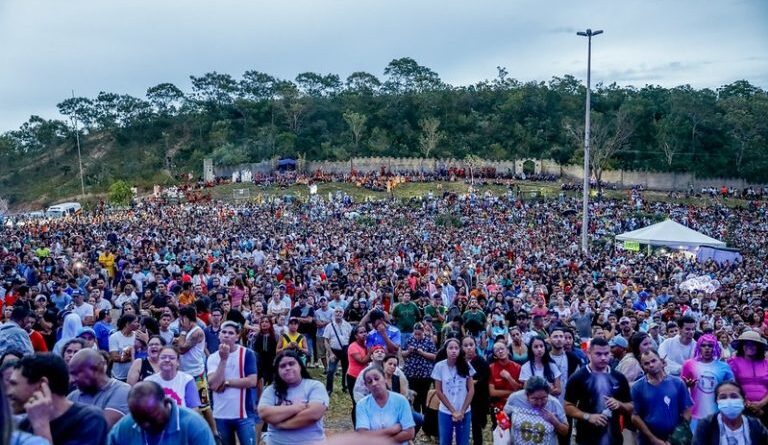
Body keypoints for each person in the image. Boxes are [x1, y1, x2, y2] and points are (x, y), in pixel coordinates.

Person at [8, 353, 108, 445]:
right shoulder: (25, 424)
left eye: (14, 384)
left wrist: (40, 426)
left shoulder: (90, 420)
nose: (8, 392)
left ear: (41, 384)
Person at [564, 337, 633, 445]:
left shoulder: (619, 377)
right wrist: (588, 416)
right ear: (589, 353)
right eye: (598, 354)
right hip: (586, 438)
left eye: (606, 354)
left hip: (614, 438)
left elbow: (630, 406)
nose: (603, 358)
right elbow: (567, 406)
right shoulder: (578, 377)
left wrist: (619, 404)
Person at [107, 381, 216, 445]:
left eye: (152, 417)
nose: (146, 424)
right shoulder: (126, 425)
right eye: (139, 419)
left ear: (166, 403)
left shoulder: (193, 425)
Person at [257, 350, 330, 445]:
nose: (287, 368)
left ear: (300, 366)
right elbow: (264, 413)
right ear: (277, 371)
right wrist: (298, 407)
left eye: (291, 364)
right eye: (282, 366)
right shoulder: (271, 390)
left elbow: (313, 414)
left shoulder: (314, 386)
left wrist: (282, 424)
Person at [207, 321, 259, 445]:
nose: (226, 335)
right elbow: (213, 385)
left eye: (231, 333)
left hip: (243, 413)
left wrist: (227, 382)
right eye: (223, 332)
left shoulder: (247, 354)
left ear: (237, 337)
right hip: (221, 414)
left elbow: (252, 381)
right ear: (219, 335)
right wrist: (223, 360)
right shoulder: (213, 357)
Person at [631, 349, 692, 445]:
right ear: (642, 367)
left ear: (661, 361)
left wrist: (677, 436)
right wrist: (653, 439)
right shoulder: (637, 387)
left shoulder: (677, 383)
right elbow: (635, 416)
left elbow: (687, 410)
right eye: (646, 363)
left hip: (674, 439)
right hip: (648, 441)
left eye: (653, 361)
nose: (651, 365)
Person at [681, 333, 735, 431]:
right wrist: (687, 385)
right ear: (698, 347)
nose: (707, 348)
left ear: (715, 348)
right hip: (695, 415)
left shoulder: (723, 367)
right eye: (703, 345)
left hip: (718, 416)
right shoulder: (689, 364)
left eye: (710, 345)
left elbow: (732, 389)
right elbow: (681, 388)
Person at [67, 348, 132, 429]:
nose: (72, 380)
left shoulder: (122, 391)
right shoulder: (73, 396)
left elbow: (100, 429)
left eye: (76, 373)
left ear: (94, 370)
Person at [692, 381, 768, 445]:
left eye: (734, 396)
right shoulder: (707, 424)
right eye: (723, 397)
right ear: (716, 401)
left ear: (744, 400)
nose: (729, 401)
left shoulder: (754, 424)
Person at [355, 367, 416, 445]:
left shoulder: (401, 400)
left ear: (385, 379)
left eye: (377, 378)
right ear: (366, 386)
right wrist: (392, 430)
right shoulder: (362, 404)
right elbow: (363, 435)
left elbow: (410, 433)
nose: (374, 383)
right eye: (369, 381)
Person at [431, 337, 475, 445]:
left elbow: (471, 390)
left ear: (460, 350)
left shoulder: (466, 365)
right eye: (451, 348)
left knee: (463, 442)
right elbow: (438, 391)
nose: (453, 350)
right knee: (445, 441)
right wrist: (453, 411)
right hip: (445, 411)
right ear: (445, 350)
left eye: (456, 348)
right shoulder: (439, 366)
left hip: (464, 411)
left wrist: (462, 411)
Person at [503, 376, 569, 445]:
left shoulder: (554, 404)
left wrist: (554, 421)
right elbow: (504, 416)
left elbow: (565, 431)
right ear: (527, 395)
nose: (539, 403)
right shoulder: (515, 399)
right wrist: (503, 422)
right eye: (535, 399)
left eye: (544, 398)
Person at [728, 330, 768, 425]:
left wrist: (761, 404)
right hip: (741, 407)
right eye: (746, 343)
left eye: (753, 344)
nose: (750, 346)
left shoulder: (766, 363)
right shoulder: (733, 362)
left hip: (766, 408)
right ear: (742, 346)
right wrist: (746, 403)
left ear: (758, 347)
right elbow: (732, 385)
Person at [402, 321, 437, 415]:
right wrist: (408, 351)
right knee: (414, 396)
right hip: (411, 373)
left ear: (423, 332)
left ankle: (425, 416)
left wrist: (423, 353)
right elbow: (402, 354)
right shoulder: (409, 340)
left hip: (425, 374)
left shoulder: (429, 341)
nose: (417, 336)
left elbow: (434, 356)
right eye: (415, 334)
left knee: (424, 395)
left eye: (419, 334)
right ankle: (416, 414)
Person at [462, 335, 489, 445]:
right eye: (466, 345)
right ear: (461, 347)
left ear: (475, 346)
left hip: (478, 398)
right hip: (462, 397)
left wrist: (474, 382)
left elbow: (485, 376)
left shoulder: (480, 361)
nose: (469, 348)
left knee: (476, 424)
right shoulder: (459, 361)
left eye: (471, 345)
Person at [323, 307, 353, 394]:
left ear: (343, 314)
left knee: (346, 370)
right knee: (331, 370)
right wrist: (330, 353)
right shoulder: (329, 326)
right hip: (334, 350)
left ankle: (345, 387)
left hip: (345, 350)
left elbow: (352, 338)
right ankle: (329, 389)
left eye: (340, 312)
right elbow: (326, 340)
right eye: (336, 311)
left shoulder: (347, 325)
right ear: (334, 313)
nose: (338, 313)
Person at [488, 340, 523, 414]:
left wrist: (509, 378)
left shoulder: (518, 367)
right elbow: (492, 392)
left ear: (507, 350)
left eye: (502, 349)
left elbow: (520, 390)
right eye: (497, 350)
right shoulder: (491, 368)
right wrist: (513, 392)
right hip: (498, 405)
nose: (500, 351)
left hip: (515, 404)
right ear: (494, 355)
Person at [109, 313, 138, 381]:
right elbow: (114, 357)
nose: (138, 324)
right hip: (119, 376)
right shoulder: (114, 337)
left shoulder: (137, 336)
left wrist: (126, 356)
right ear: (127, 324)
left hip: (133, 375)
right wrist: (132, 356)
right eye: (135, 322)